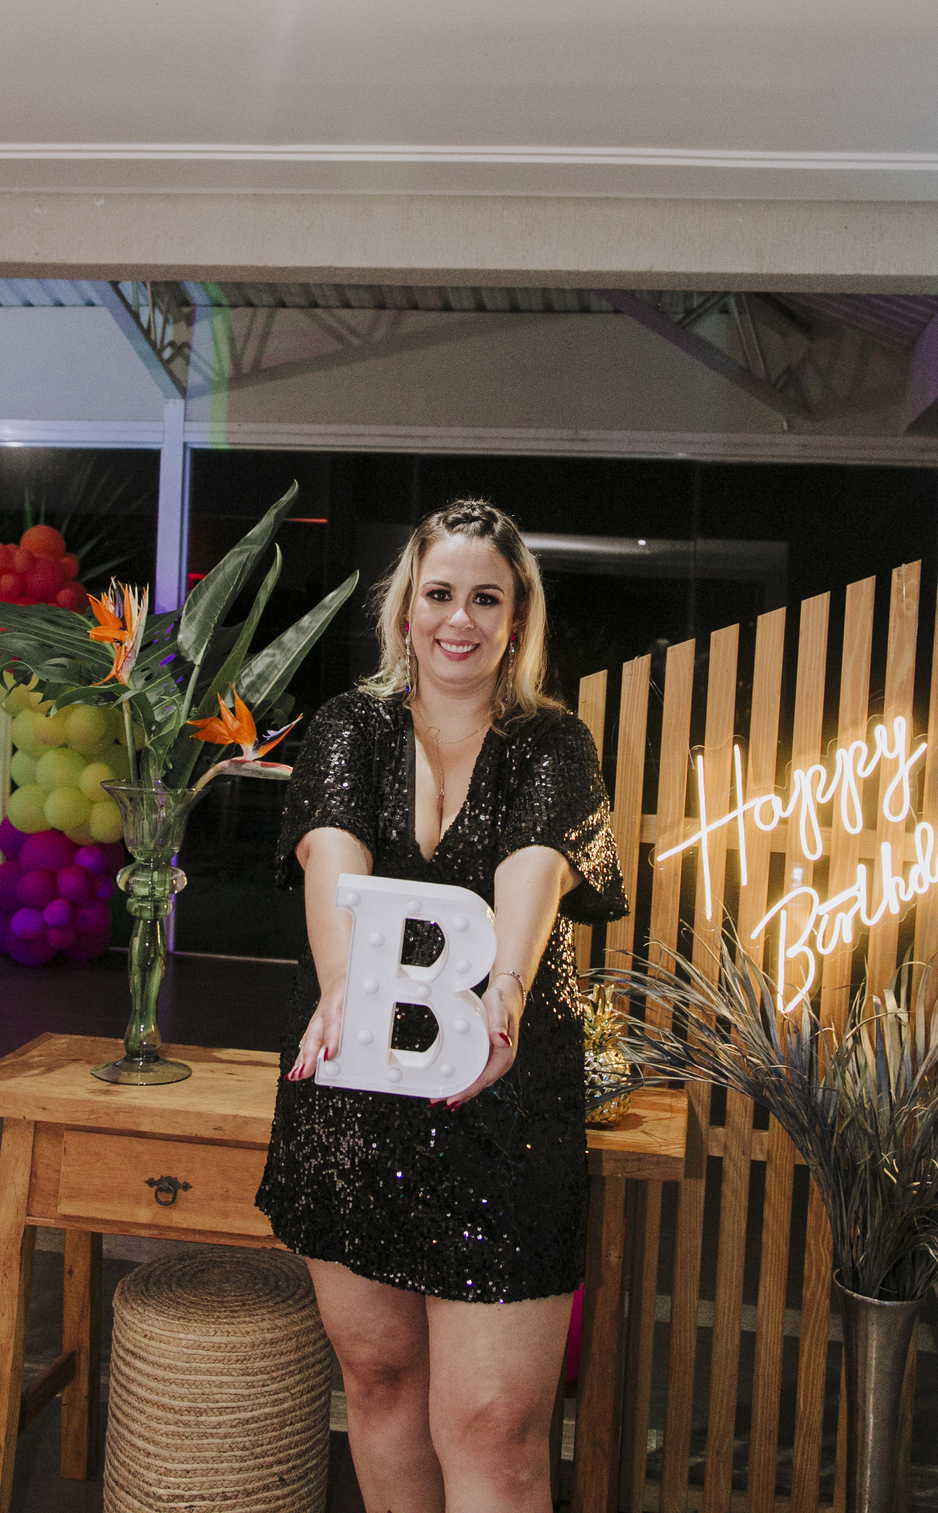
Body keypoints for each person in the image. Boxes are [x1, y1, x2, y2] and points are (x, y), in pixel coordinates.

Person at [257, 499, 628, 1513]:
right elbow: (333, 867)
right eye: (439, 594)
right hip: (357, 1103)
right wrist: (347, 990)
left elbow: (533, 874)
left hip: (503, 1107)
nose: (459, 618)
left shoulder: (554, 744)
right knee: (380, 1384)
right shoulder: (350, 728)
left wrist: (501, 1000)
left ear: (517, 619)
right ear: (406, 610)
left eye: (485, 598)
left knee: (494, 1425)